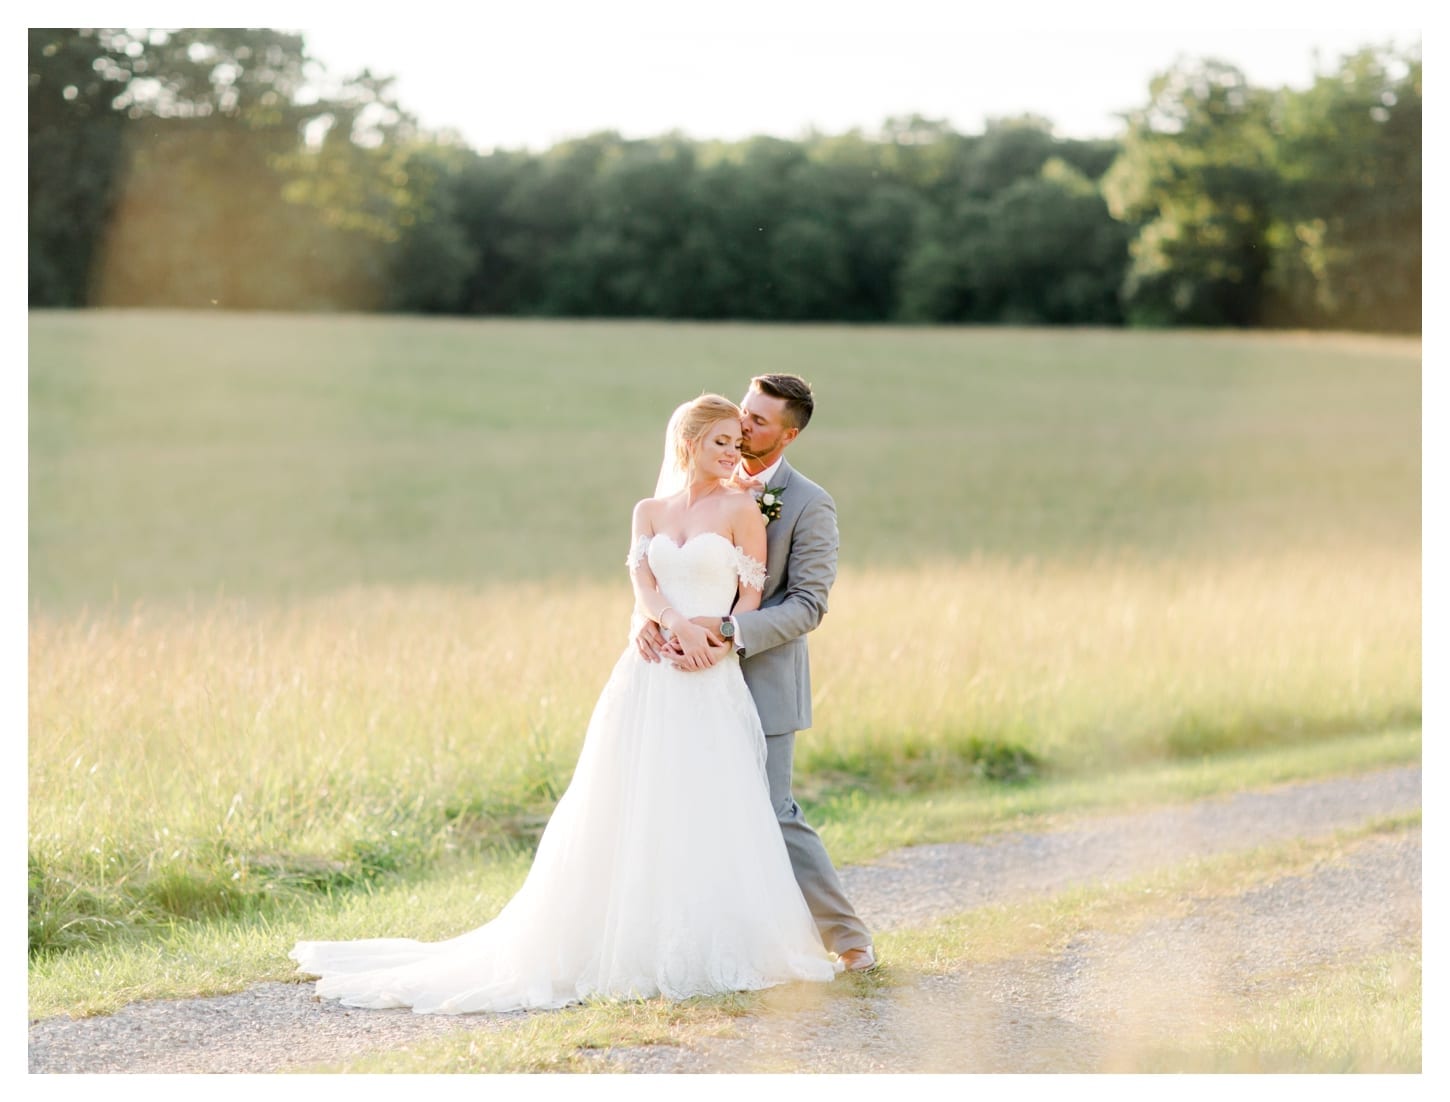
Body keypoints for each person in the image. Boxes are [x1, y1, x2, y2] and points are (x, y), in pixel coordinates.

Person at [289, 394, 838, 1013]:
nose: (732, 452)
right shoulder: (649, 510)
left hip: (709, 675)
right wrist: (662, 622)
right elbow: (642, 581)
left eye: (737, 443)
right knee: (627, 799)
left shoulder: (744, 509)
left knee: (709, 802)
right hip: (650, 673)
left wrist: (713, 641)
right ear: (687, 445)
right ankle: (614, 938)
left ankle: (716, 941)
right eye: (720, 442)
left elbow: (751, 594)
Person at [635, 374, 876, 973]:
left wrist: (727, 634)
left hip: (759, 677)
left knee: (771, 811)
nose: (743, 428)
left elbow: (808, 604)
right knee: (686, 807)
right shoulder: (702, 479)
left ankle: (848, 939)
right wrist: (648, 624)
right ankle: (706, 943)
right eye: (744, 413)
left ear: (788, 435)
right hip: (680, 675)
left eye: (759, 422)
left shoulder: (808, 503)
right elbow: (658, 572)